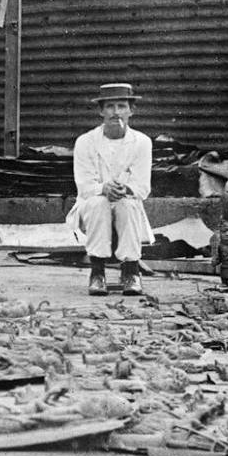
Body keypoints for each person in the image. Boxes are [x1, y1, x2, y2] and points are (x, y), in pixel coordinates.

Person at [67, 82, 153, 296]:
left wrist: (126, 188)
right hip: (93, 204)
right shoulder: (85, 142)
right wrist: (103, 188)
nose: (116, 113)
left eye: (122, 106)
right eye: (110, 106)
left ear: (132, 110)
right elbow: (84, 186)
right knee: (98, 203)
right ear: (101, 111)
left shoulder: (142, 142)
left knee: (128, 204)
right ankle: (97, 273)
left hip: (126, 202)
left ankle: (131, 272)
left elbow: (143, 187)